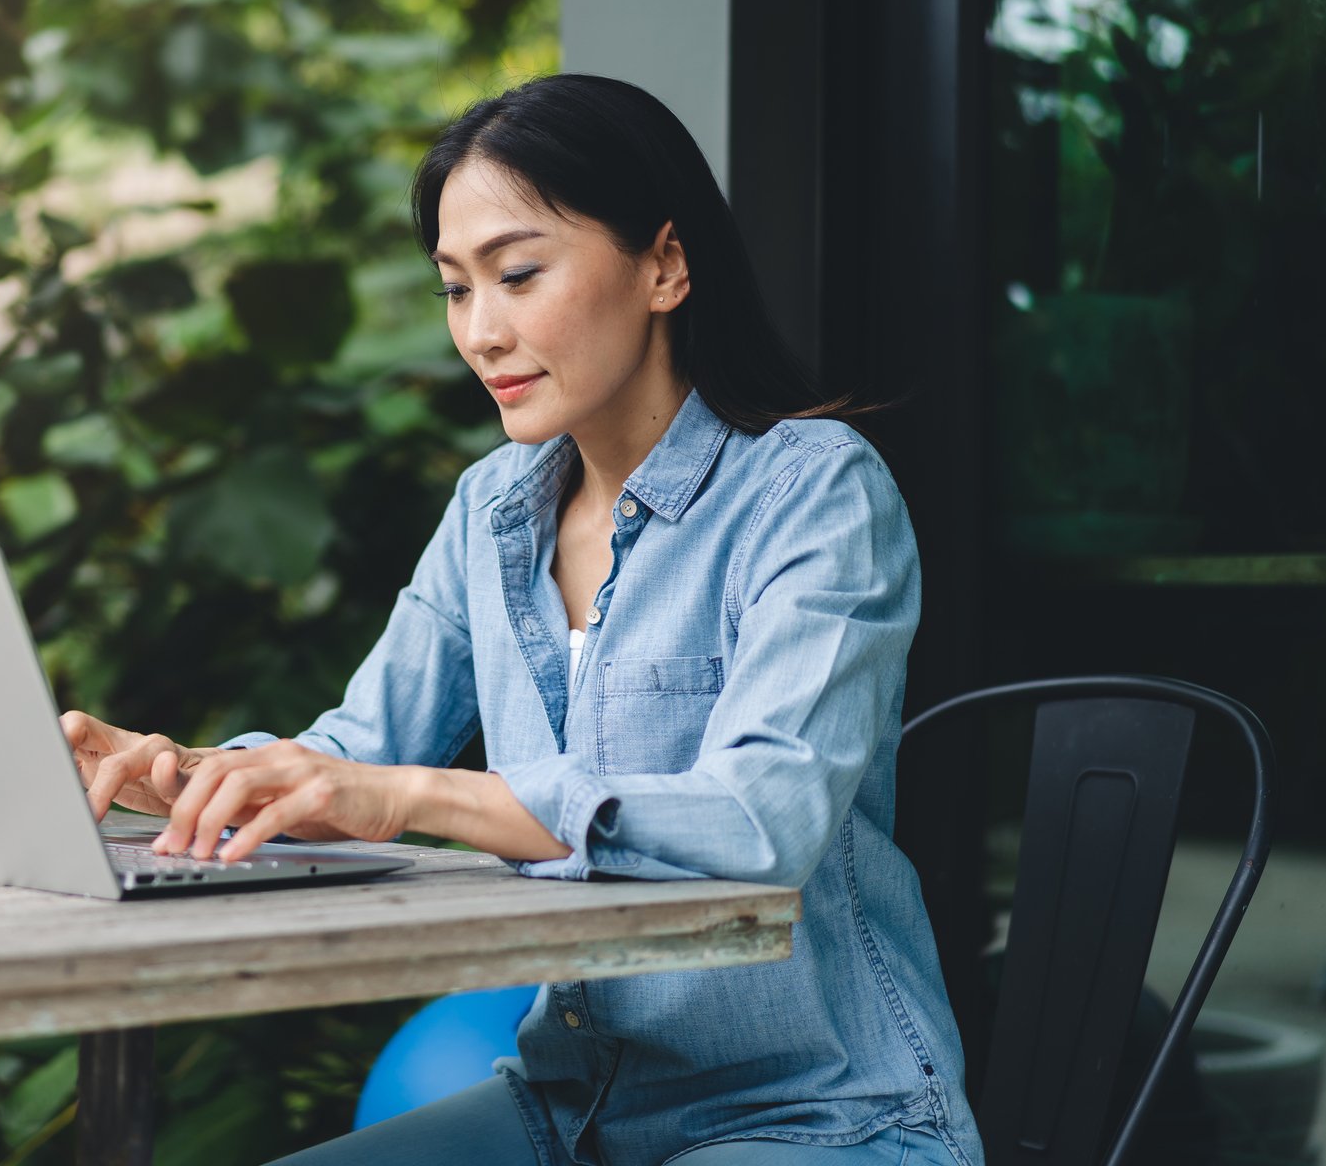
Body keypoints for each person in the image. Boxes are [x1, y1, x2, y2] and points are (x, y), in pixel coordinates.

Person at [61, 73, 985, 1166]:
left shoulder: (813, 492)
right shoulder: (492, 509)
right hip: (573, 1108)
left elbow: (761, 815)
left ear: (665, 266)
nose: (481, 332)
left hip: (817, 1115)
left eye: (518, 273)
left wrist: (409, 795)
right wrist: (199, 774)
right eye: (456, 288)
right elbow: (360, 752)